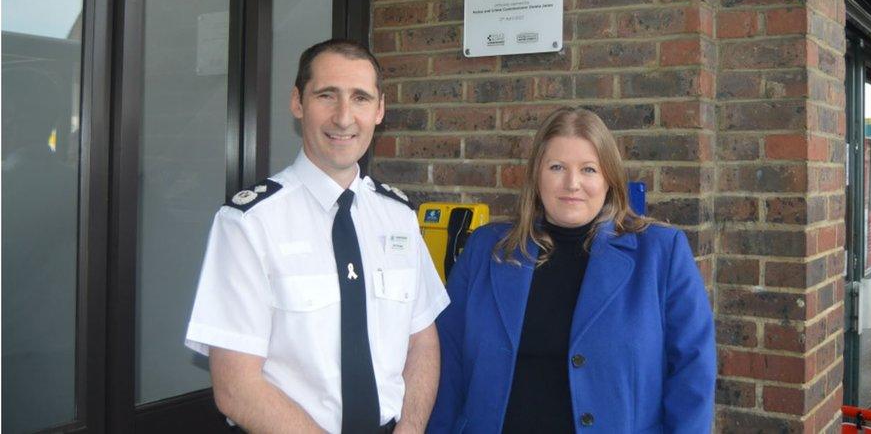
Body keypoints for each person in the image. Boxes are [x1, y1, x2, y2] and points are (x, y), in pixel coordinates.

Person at [186, 39, 449, 434]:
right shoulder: (248, 224)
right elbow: (236, 387)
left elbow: (422, 342)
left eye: (360, 98)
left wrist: (409, 429)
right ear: (298, 103)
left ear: (379, 110)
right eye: (327, 95)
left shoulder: (399, 218)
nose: (344, 118)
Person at [428, 107, 716, 434]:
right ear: (537, 176)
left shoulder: (661, 254)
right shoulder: (486, 250)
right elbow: (445, 363)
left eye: (589, 169)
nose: (572, 183)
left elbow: (693, 373)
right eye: (557, 167)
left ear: (609, 178)